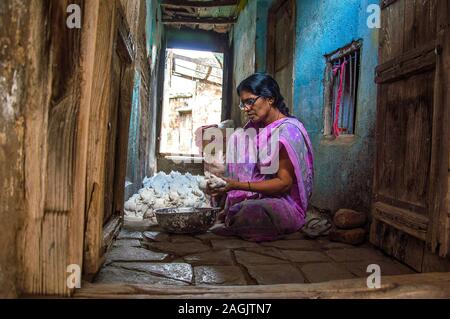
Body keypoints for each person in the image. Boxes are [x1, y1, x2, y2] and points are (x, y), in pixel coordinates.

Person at [207, 73, 314, 242]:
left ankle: (239, 212)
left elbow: (284, 184)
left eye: (250, 101)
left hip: (283, 202)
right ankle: (234, 207)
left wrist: (236, 185)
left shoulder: (287, 132)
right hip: (254, 195)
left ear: (270, 99)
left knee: (251, 213)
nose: (246, 108)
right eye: (243, 104)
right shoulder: (254, 129)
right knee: (238, 136)